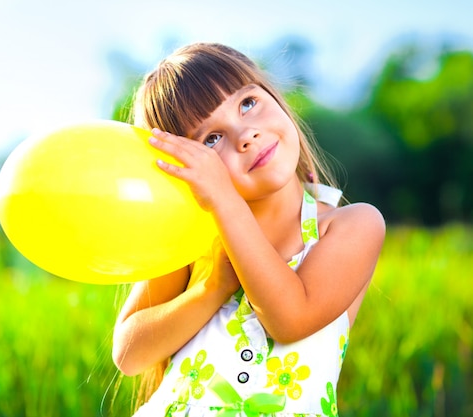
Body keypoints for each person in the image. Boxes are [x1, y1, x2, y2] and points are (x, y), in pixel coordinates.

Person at [112, 42, 385, 417]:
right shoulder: (195, 240)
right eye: (211, 139)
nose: (245, 135)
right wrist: (213, 288)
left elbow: (291, 319)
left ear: (273, 95)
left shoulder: (350, 225)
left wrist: (227, 203)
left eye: (247, 103)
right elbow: (129, 354)